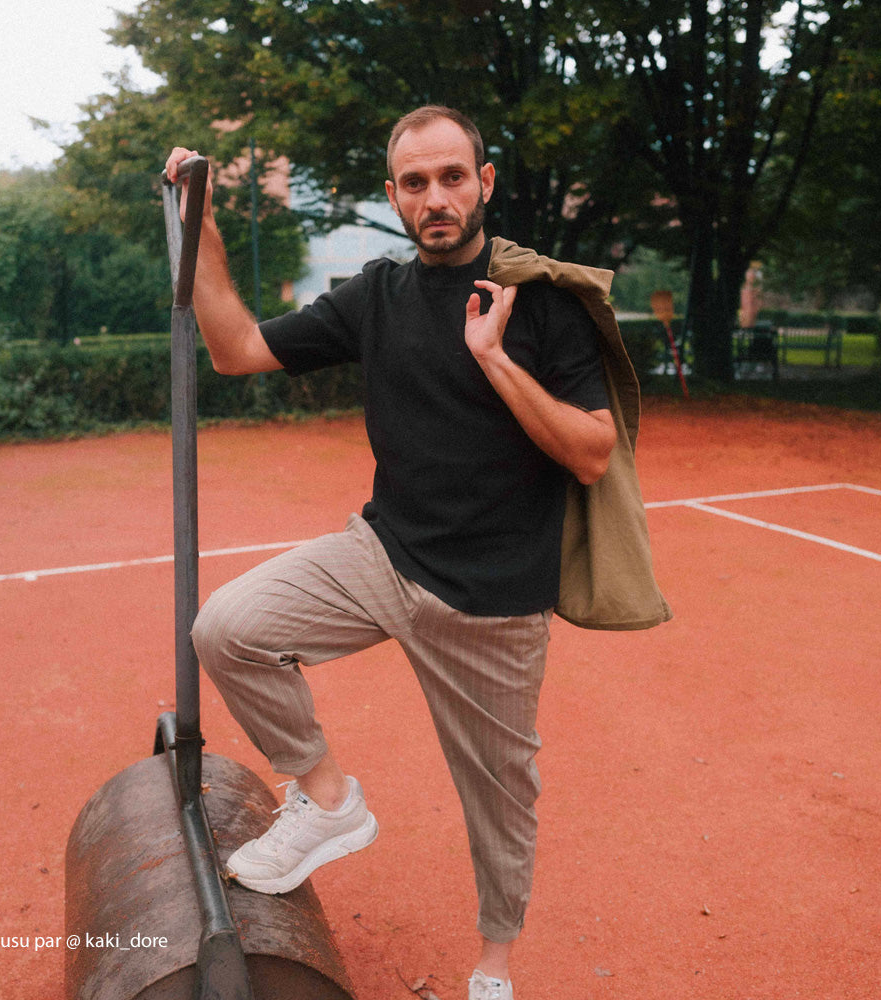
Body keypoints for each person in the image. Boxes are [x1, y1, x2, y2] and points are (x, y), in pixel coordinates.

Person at [166, 105, 619, 1000]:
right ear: (395, 195)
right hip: (385, 555)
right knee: (227, 627)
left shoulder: (543, 300)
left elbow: (593, 451)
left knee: (500, 802)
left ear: (484, 182)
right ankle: (331, 801)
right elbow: (236, 350)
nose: (436, 197)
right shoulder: (376, 294)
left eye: (452, 177)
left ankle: (493, 970)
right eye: (416, 183)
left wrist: (493, 356)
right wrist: (201, 225)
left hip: (495, 599)